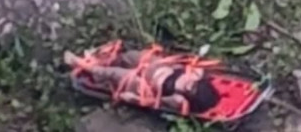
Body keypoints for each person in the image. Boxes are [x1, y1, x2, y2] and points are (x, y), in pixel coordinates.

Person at [65, 46, 221, 115]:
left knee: (117, 74)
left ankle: (84, 65)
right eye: (193, 85)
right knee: (132, 56)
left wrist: (135, 98)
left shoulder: (178, 99)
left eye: (191, 91)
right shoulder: (195, 74)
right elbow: (194, 64)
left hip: (146, 85)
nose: (188, 86)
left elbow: (156, 102)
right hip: (156, 68)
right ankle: (103, 59)